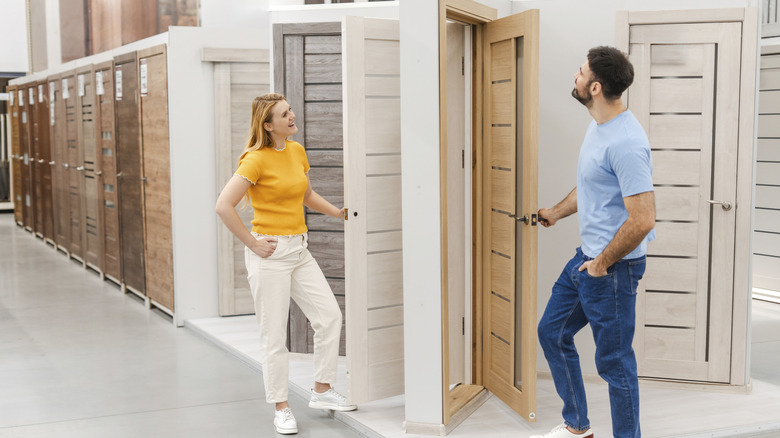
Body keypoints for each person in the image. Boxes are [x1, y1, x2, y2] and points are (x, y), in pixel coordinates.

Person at [532, 47, 656, 438]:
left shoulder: (627, 143)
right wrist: (555, 211)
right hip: (587, 260)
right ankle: (578, 426)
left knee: (615, 366)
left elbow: (643, 219)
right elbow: (591, 188)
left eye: (581, 72)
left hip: (612, 269)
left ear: (595, 87)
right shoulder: (599, 126)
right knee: (552, 332)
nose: (575, 76)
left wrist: (602, 263)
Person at [216, 93, 356, 435]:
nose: (292, 116)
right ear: (268, 125)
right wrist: (252, 243)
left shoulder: (295, 150)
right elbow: (223, 205)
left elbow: (306, 195)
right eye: (284, 114)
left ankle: (321, 390)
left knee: (329, 317)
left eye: (290, 110)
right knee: (274, 335)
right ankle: (281, 407)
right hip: (270, 255)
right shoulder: (254, 160)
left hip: (299, 250)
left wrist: (338, 213)